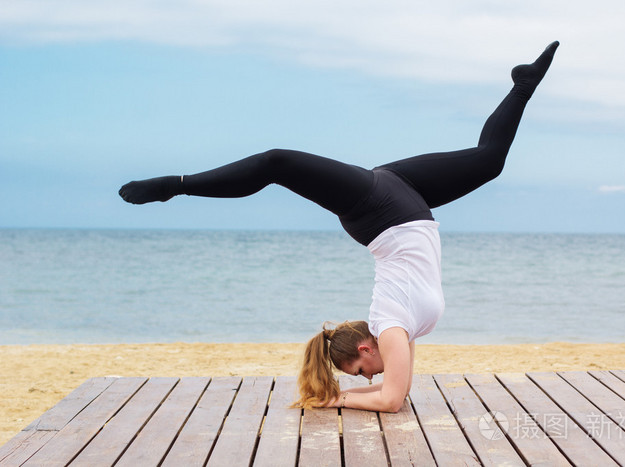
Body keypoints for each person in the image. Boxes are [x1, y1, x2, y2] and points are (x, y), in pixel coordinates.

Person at [119, 41, 559, 413]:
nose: (367, 376)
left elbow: (389, 400)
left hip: (378, 208)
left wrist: (335, 402)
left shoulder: (389, 328)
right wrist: (339, 398)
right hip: (407, 198)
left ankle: (175, 186)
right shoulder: (399, 333)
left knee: (277, 162)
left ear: (365, 350)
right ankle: (523, 85)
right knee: (489, 162)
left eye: (360, 372)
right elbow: (393, 397)